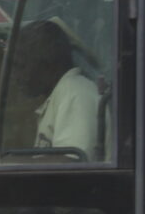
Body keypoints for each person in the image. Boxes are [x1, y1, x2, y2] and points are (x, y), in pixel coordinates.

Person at [6, 18, 104, 160]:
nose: (15, 76)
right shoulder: (61, 94)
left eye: (21, 66)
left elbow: (72, 165)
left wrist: (12, 164)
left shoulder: (75, 94)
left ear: (49, 64)